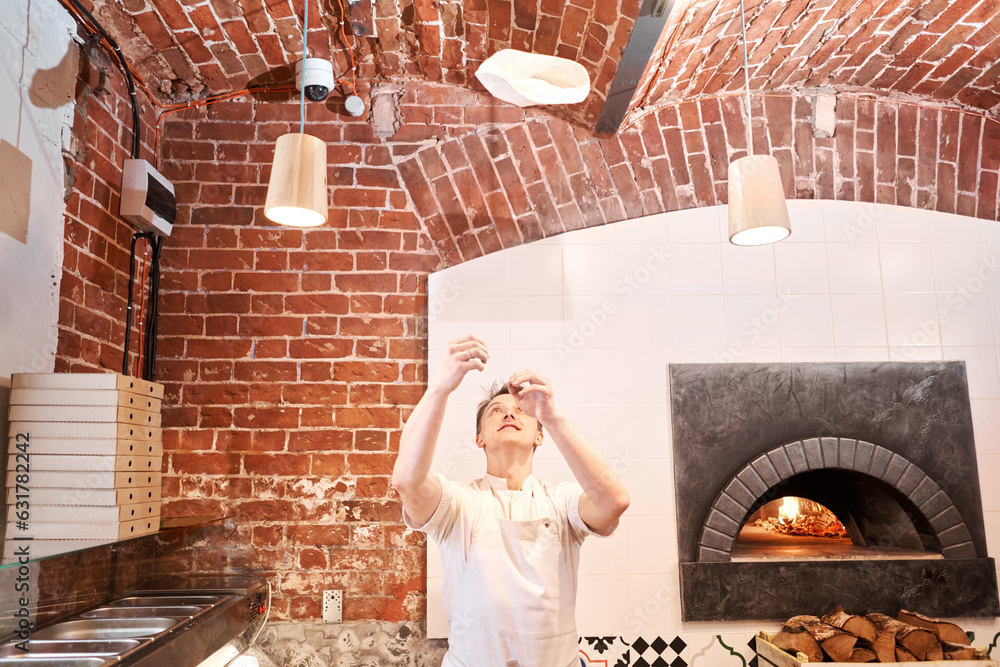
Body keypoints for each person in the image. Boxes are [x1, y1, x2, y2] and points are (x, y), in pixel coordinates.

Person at [391, 334, 630, 667]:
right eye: (495, 411)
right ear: (479, 439)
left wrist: (552, 416)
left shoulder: (562, 501)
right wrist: (439, 388)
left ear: (540, 435)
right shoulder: (457, 504)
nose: (508, 414)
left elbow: (614, 501)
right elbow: (406, 481)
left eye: (521, 411)